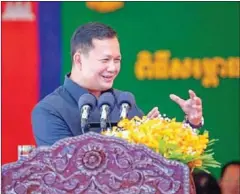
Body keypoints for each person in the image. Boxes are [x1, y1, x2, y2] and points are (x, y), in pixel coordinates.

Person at [31, 22, 203, 147]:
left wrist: (191, 123)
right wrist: (131, 137)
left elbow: (158, 160)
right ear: (79, 60)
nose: (113, 68)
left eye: (117, 60)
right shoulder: (49, 110)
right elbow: (66, 168)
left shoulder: (124, 102)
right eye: (105, 60)